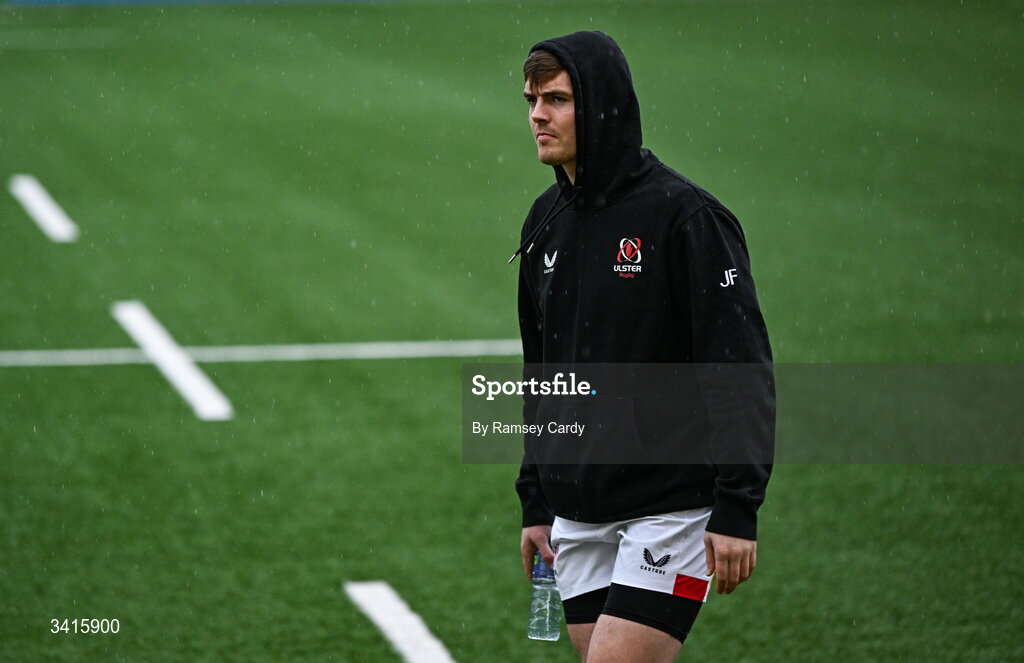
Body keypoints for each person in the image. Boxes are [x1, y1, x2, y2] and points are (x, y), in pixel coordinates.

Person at [511, 32, 775, 662]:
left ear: (601, 106)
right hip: (579, 507)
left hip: (672, 508)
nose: (537, 116)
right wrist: (536, 498)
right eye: (530, 100)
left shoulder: (686, 219)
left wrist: (738, 506)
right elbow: (542, 371)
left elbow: (737, 366)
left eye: (556, 99)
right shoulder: (544, 220)